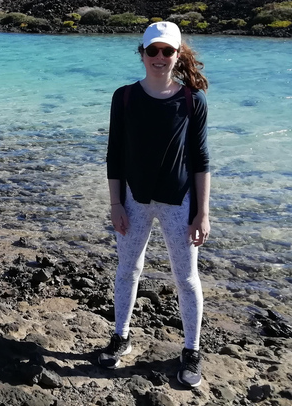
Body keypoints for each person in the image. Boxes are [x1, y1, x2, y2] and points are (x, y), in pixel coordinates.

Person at [99, 21, 211, 388]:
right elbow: (114, 155)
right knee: (128, 269)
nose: (159, 57)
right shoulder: (125, 97)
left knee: (186, 278)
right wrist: (116, 203)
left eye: (167, 51)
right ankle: (121, 336)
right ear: (142, 53)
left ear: (178, 54)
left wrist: (202, 212)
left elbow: (201, 160)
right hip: (133, 200)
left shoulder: (192, 100)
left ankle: (191, 350)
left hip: (179, 204)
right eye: (153, 51)